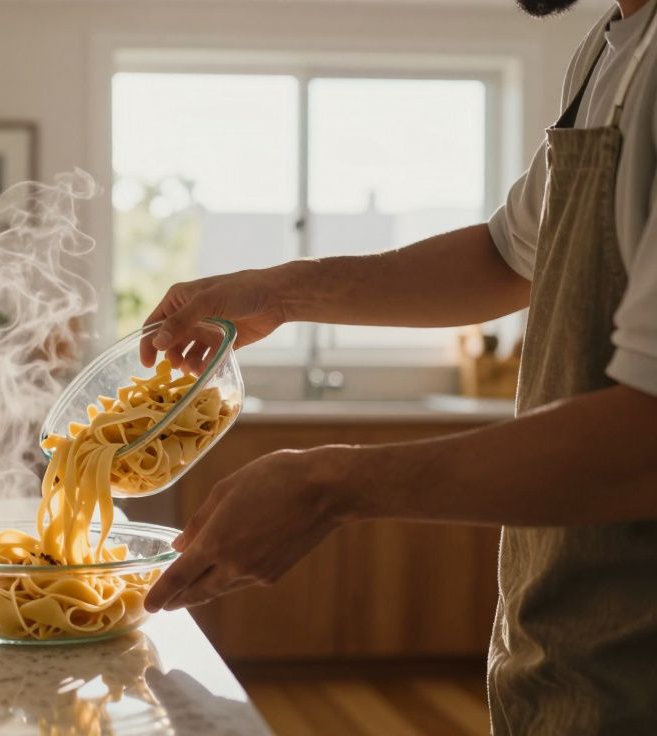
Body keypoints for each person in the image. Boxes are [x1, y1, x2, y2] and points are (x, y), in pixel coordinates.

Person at [139, 0, 657, 732]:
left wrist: (328, 487)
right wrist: (279, 291)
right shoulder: (606, 52)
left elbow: (646, 441)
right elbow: (505, 256)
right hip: (566, 653)